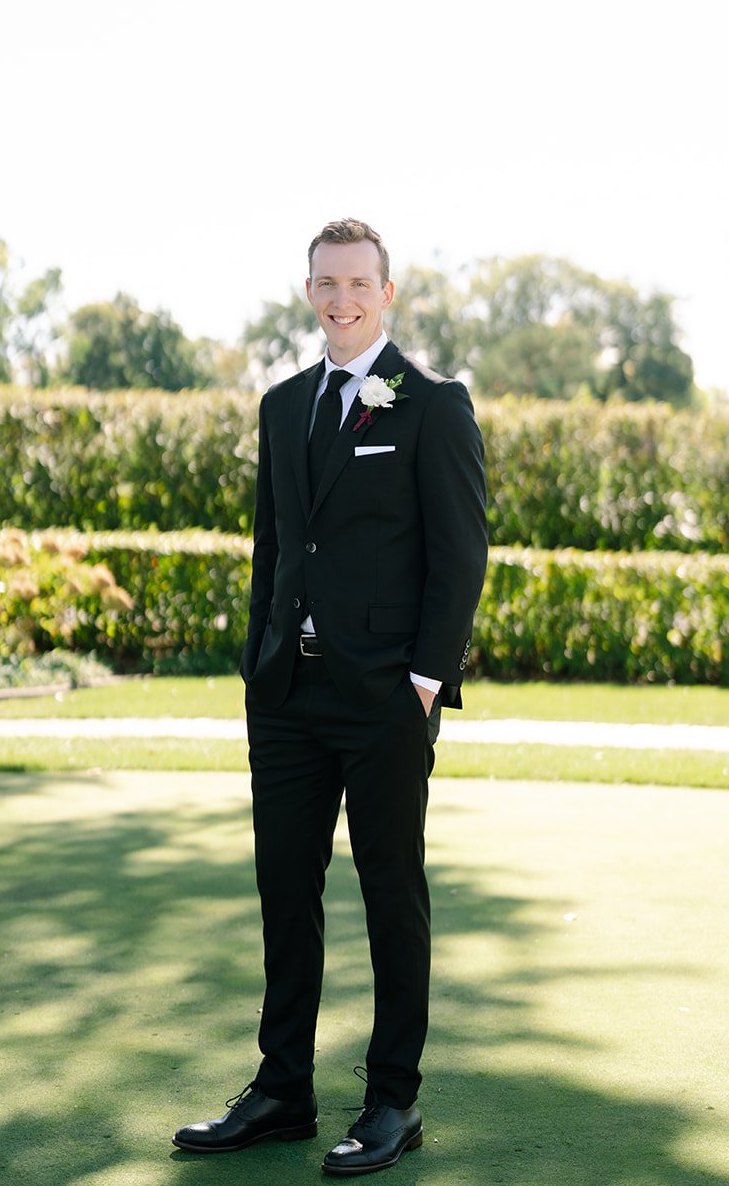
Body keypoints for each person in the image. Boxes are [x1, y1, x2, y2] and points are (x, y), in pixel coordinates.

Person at [173, 217, 488, 1176]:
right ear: (308, 291)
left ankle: (394, 1100)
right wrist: (259, 662)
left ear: (385, 293)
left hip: (386, 698)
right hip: (287, 698)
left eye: (358, 283)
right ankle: (283, 1090)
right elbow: (274, 547)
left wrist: (424, 683)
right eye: (326, 283)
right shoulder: (282, 406)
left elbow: (461, 554)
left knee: (392, 894)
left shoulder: (432, 404)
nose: (341, 298)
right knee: (285, 892)